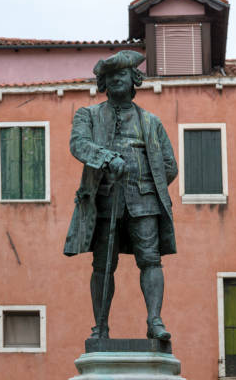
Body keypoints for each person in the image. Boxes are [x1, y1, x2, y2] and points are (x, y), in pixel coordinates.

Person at [64, 50, 177, 340]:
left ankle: (155, 322)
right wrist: (105, 159)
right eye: (110, 75)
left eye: (122, 74)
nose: (115, 79)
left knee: (151, 260)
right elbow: (79, 144)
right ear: (103, 82)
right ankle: (100, 327)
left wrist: (149, 184)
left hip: (145, 202)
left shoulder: (151, 122)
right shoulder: (87, 115)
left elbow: (169, 165)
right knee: (102, 265)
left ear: (133, 79)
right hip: (104, 200)